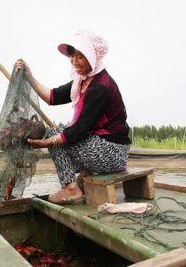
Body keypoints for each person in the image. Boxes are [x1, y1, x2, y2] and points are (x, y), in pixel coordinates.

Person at [14, 30, 131, 205]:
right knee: (59, 136)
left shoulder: (100, 86)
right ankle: (76, 182)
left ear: (92, 58)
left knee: (55, 135)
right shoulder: (83, 80)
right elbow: (52, 97)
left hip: (112, 152)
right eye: (72, 56)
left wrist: (47, 142)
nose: (74, 61)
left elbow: (79, 130)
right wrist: (29, 76)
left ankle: (71, 190)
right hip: (101, 145)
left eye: (80, 57)